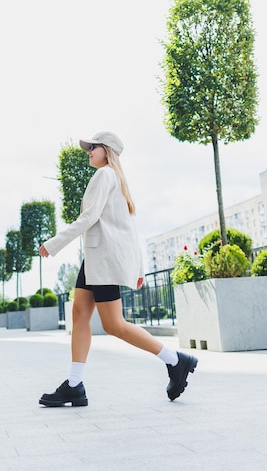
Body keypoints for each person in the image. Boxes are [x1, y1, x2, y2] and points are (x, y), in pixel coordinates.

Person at [39, 131, 197, 407]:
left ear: (107, 150)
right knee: (79, 313)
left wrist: (55, 243)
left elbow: (89, 217)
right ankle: (74, 385)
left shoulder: (105, 175)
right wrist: (138, 266)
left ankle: (175, 360)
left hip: (103, 260)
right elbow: (128, 227)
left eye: (93, 147)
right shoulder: (113, 178)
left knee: (114, 324)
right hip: (97, 259)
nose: (88, 151)